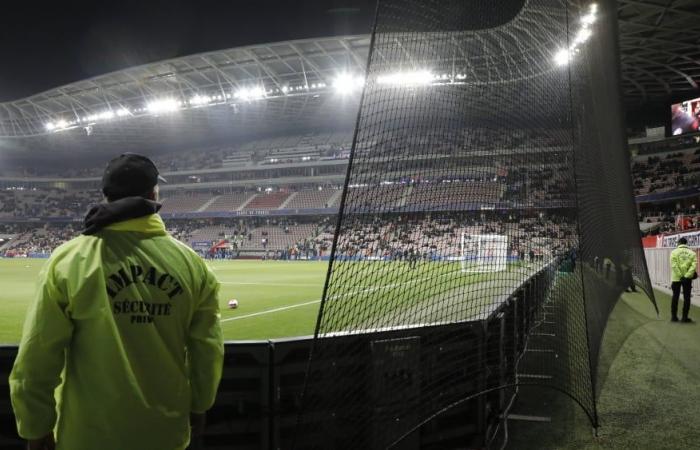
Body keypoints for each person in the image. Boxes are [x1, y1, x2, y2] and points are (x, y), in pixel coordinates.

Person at [9, 154, 224, 450]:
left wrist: (35, 426)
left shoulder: (67, 260)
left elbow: (37, 356)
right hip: (165, 433)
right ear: (153, 194)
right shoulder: (192, 264)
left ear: (105, 195)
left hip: (86, 435)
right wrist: (200, 404)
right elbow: (207, 350)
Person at [670, 237, 697, 323]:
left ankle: (674, 317)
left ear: (678, 243)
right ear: (686, 243)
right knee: (687, 298)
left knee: (675, 297)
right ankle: (684, 318)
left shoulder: (673, 252)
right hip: (687, 279)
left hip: (676, 278)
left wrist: (680, 276)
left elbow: (674, 265)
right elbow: (693, 266)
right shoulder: (692, 253)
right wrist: (686, 276)